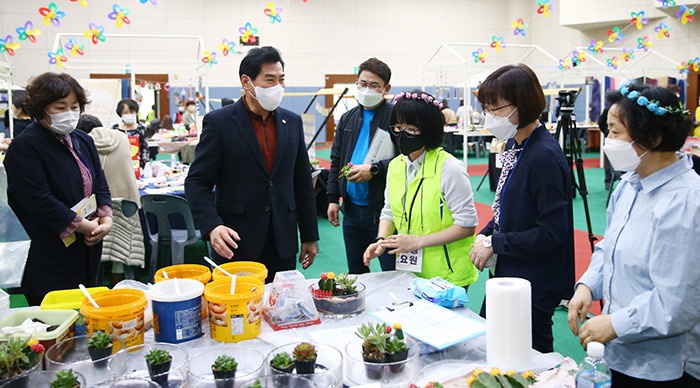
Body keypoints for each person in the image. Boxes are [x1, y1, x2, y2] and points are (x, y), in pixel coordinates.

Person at [567, 84, 700, 386]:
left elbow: (676, 303)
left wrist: (615, 323)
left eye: (615, 132)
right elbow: (609, 248)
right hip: (618, 353)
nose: (607, 141)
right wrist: (588, 286)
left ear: (652, 138)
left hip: (661, 366)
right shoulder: (630, 185)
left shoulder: (685, 202)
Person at [185, 46, 319, 282]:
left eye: (281, 80)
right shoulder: (220, 123)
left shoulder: (292, 122)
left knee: (281, 307)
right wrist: (212, 226)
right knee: (240, 311)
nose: (278, 87)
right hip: (237, 239)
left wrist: (309, 235)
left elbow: (301, 182)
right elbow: (197, 182)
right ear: (247, 82)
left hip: (283, 240)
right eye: (270, 80)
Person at [468, 64, 575, 353]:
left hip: (534, 280)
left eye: (495, 108)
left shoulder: (543, 156)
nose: (489, 116)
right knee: (492, 348)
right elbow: (506, 205)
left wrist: (496, 242)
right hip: (511, 270)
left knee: (532, 361)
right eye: (486, 108)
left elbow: (552, 232)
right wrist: (487, 233)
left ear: (522, 105)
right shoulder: (516, 145)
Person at [3, 72, 112, 305]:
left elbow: (99, 182)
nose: (69, 114)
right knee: (54, 322)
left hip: (85, 246)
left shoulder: (83, 139)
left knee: (87, 312)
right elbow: (39, 201)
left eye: (74, 106)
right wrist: (83, 226)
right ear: (41, 108)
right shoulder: (26, 146)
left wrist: (105, 217)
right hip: (48, 252)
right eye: (60, 107)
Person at [363, 90, 479, 289]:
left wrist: (417, 242)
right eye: (398, 127)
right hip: (409, 271)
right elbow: (389, 210)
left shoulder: (449, 168)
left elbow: (467, 225)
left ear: (428, 129)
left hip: (447, 275)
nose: (402, 134)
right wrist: (381, 240)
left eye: (411, 128)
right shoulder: (395, 166)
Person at [327, 57, 397, 274]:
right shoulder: (348, 118)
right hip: (352, 210)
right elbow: (336, 160)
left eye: (374, 85)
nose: (367, 89)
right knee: (357, 272)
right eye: (362, 84)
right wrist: (332, 199)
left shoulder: (396, 116)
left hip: (385, 211)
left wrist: (374, 170)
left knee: (391, 272)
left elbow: (406, 159)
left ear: (386, 88)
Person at [77, 114, 145, 286]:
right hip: (128, 202)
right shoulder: (122, 138)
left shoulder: (82, 143)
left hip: (99, 204)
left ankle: (97, 280)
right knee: (121, 238)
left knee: (95, 237)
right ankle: (118, 273)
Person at [112, 98, 149, 168]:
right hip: (119, 166)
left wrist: (144, 166)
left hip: (138, 166)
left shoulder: (141, 129)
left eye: (131, 112)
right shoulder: (115, 130)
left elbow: (145, 150)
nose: (129, 114)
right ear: (120, 113)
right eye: (126, 112)